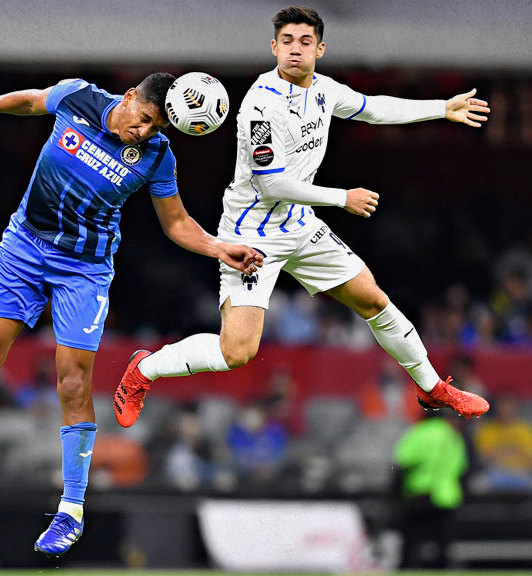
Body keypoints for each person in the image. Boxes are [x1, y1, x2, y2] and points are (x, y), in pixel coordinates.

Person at [0, 73, 264, 558]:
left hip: (84, 270)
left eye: (156, 127)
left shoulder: (157, 157)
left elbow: (175, 223)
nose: (144, 132)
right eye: (144, 119)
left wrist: (220, 249)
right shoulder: (81, 97)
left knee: (73, 382)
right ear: (130, 97)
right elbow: (32, 100)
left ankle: (71, 509)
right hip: (24, 246)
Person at [114, 6, 491, 428]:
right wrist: (341, 197)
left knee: (373, 299)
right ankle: (143, 370)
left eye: (305, 42)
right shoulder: (261, 103)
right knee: (236, 352)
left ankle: (432, 387)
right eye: (288, 42)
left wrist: (442, 108)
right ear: (275, 47)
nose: (296, 50)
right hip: (251, 234)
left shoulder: (325, 90)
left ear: (320, 49)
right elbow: (272, 184)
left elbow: (372, 108)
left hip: (298, 223)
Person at [393, 412, 467, 569]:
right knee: (443, 546)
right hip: (447, 496)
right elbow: (461, 467)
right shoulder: (453, 435)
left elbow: (402, 461)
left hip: (419, 495)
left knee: (411, 544)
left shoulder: (419, 432)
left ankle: (409, 570)